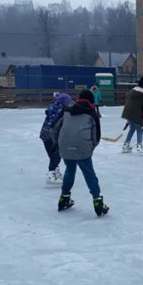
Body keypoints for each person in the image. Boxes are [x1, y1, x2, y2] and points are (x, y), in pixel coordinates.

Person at [50, 89, 109, 217]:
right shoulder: (92, 114)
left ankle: (63, 198)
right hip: (82, 147)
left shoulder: (67, 110)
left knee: (70, 170)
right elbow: (96, 137)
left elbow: (54, 129)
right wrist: (89, 148)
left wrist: (57, 145)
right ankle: (98, 202)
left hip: (64, 146)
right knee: (89, 174)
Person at [39, 93, 73, 184]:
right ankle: (51, 174)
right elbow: (55, 125)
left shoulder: (56, 108)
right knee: (56, 155)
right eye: (69, 102)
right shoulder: (59, 111)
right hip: (50, 136)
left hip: (46, 135)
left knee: (55, 155)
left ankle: (55, 172)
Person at [121, 77, 143, 155]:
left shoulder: (132, 92)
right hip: (136, 114)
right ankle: (139, 146)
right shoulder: (142, 94)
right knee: (139, 129)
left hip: (129, 113)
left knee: (132, 128)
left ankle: (126, 145)